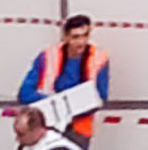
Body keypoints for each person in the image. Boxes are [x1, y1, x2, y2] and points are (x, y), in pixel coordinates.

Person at [16, 14, 111, 142]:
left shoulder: (99, 58)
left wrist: (69, 108)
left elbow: (100, 97)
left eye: (85, 36)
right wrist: (58, 104)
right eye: (75, 37)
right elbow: (24, 94)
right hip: (47, 126)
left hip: (79, 129)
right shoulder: (48, 56)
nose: (81, 42)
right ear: (65, 37)